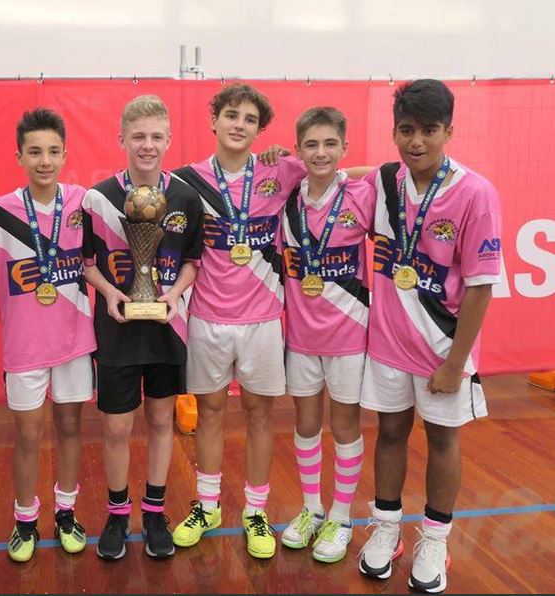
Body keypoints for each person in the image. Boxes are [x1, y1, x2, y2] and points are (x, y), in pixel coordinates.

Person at [358, 79, 501, 594]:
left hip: (443, 350)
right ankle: (387, 528)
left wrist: (456, 363)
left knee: (442, 439)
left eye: (429, 131)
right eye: (406, 130)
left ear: (449, 131)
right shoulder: (386, 180)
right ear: (395, 130)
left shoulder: (475, 192)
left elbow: (482, 288)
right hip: (388, 346)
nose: (416, 141)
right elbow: (343, 174)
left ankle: (436, 537)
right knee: (390, 434)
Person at [169, 84, 305, 559]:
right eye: (231, 115)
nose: (239, 124)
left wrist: (285, 151)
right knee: (208, 413)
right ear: (214, 120)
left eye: (250, 119)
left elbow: (335, 169)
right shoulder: (185, 181)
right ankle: (206, 506)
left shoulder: (279, 169)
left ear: (259, 129)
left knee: (260, 414)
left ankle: (255, 510)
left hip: (264, 318)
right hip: (206, 316)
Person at [82, 95, 204, 560]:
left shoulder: (186, 198)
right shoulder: (98, 197)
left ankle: (154, 512)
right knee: (115, 428)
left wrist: (174, 296)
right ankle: (117, 514)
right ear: (122, 140)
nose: (147, 145)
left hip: (167, 330)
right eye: (139, 137)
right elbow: (87, 263)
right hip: (115, 330)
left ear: (169, 140)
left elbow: (191, 262)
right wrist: (110, 292)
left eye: (156, 137)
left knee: (159, 421)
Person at [0, 108, 96, 562]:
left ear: (65, 154)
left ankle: (66, 511)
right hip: (24, 347)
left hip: (74, 341)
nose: (45, 160)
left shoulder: (84, 203)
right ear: (19, 156)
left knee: (70, 428)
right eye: (35, 152)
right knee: (27, 436)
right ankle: (25, 517)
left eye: (53, 151)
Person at [277, 107, 374, 563]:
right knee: (306, 424)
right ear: (298, 151)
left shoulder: (361, 196)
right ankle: (312, 509)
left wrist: (347, 173)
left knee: (345, 427)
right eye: (311, 145)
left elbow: (386, 173)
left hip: (350, 336)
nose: (321, 153)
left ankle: (341, 515)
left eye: (330, 144)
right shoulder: (285, 199)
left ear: (344, 148)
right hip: (300, 338)